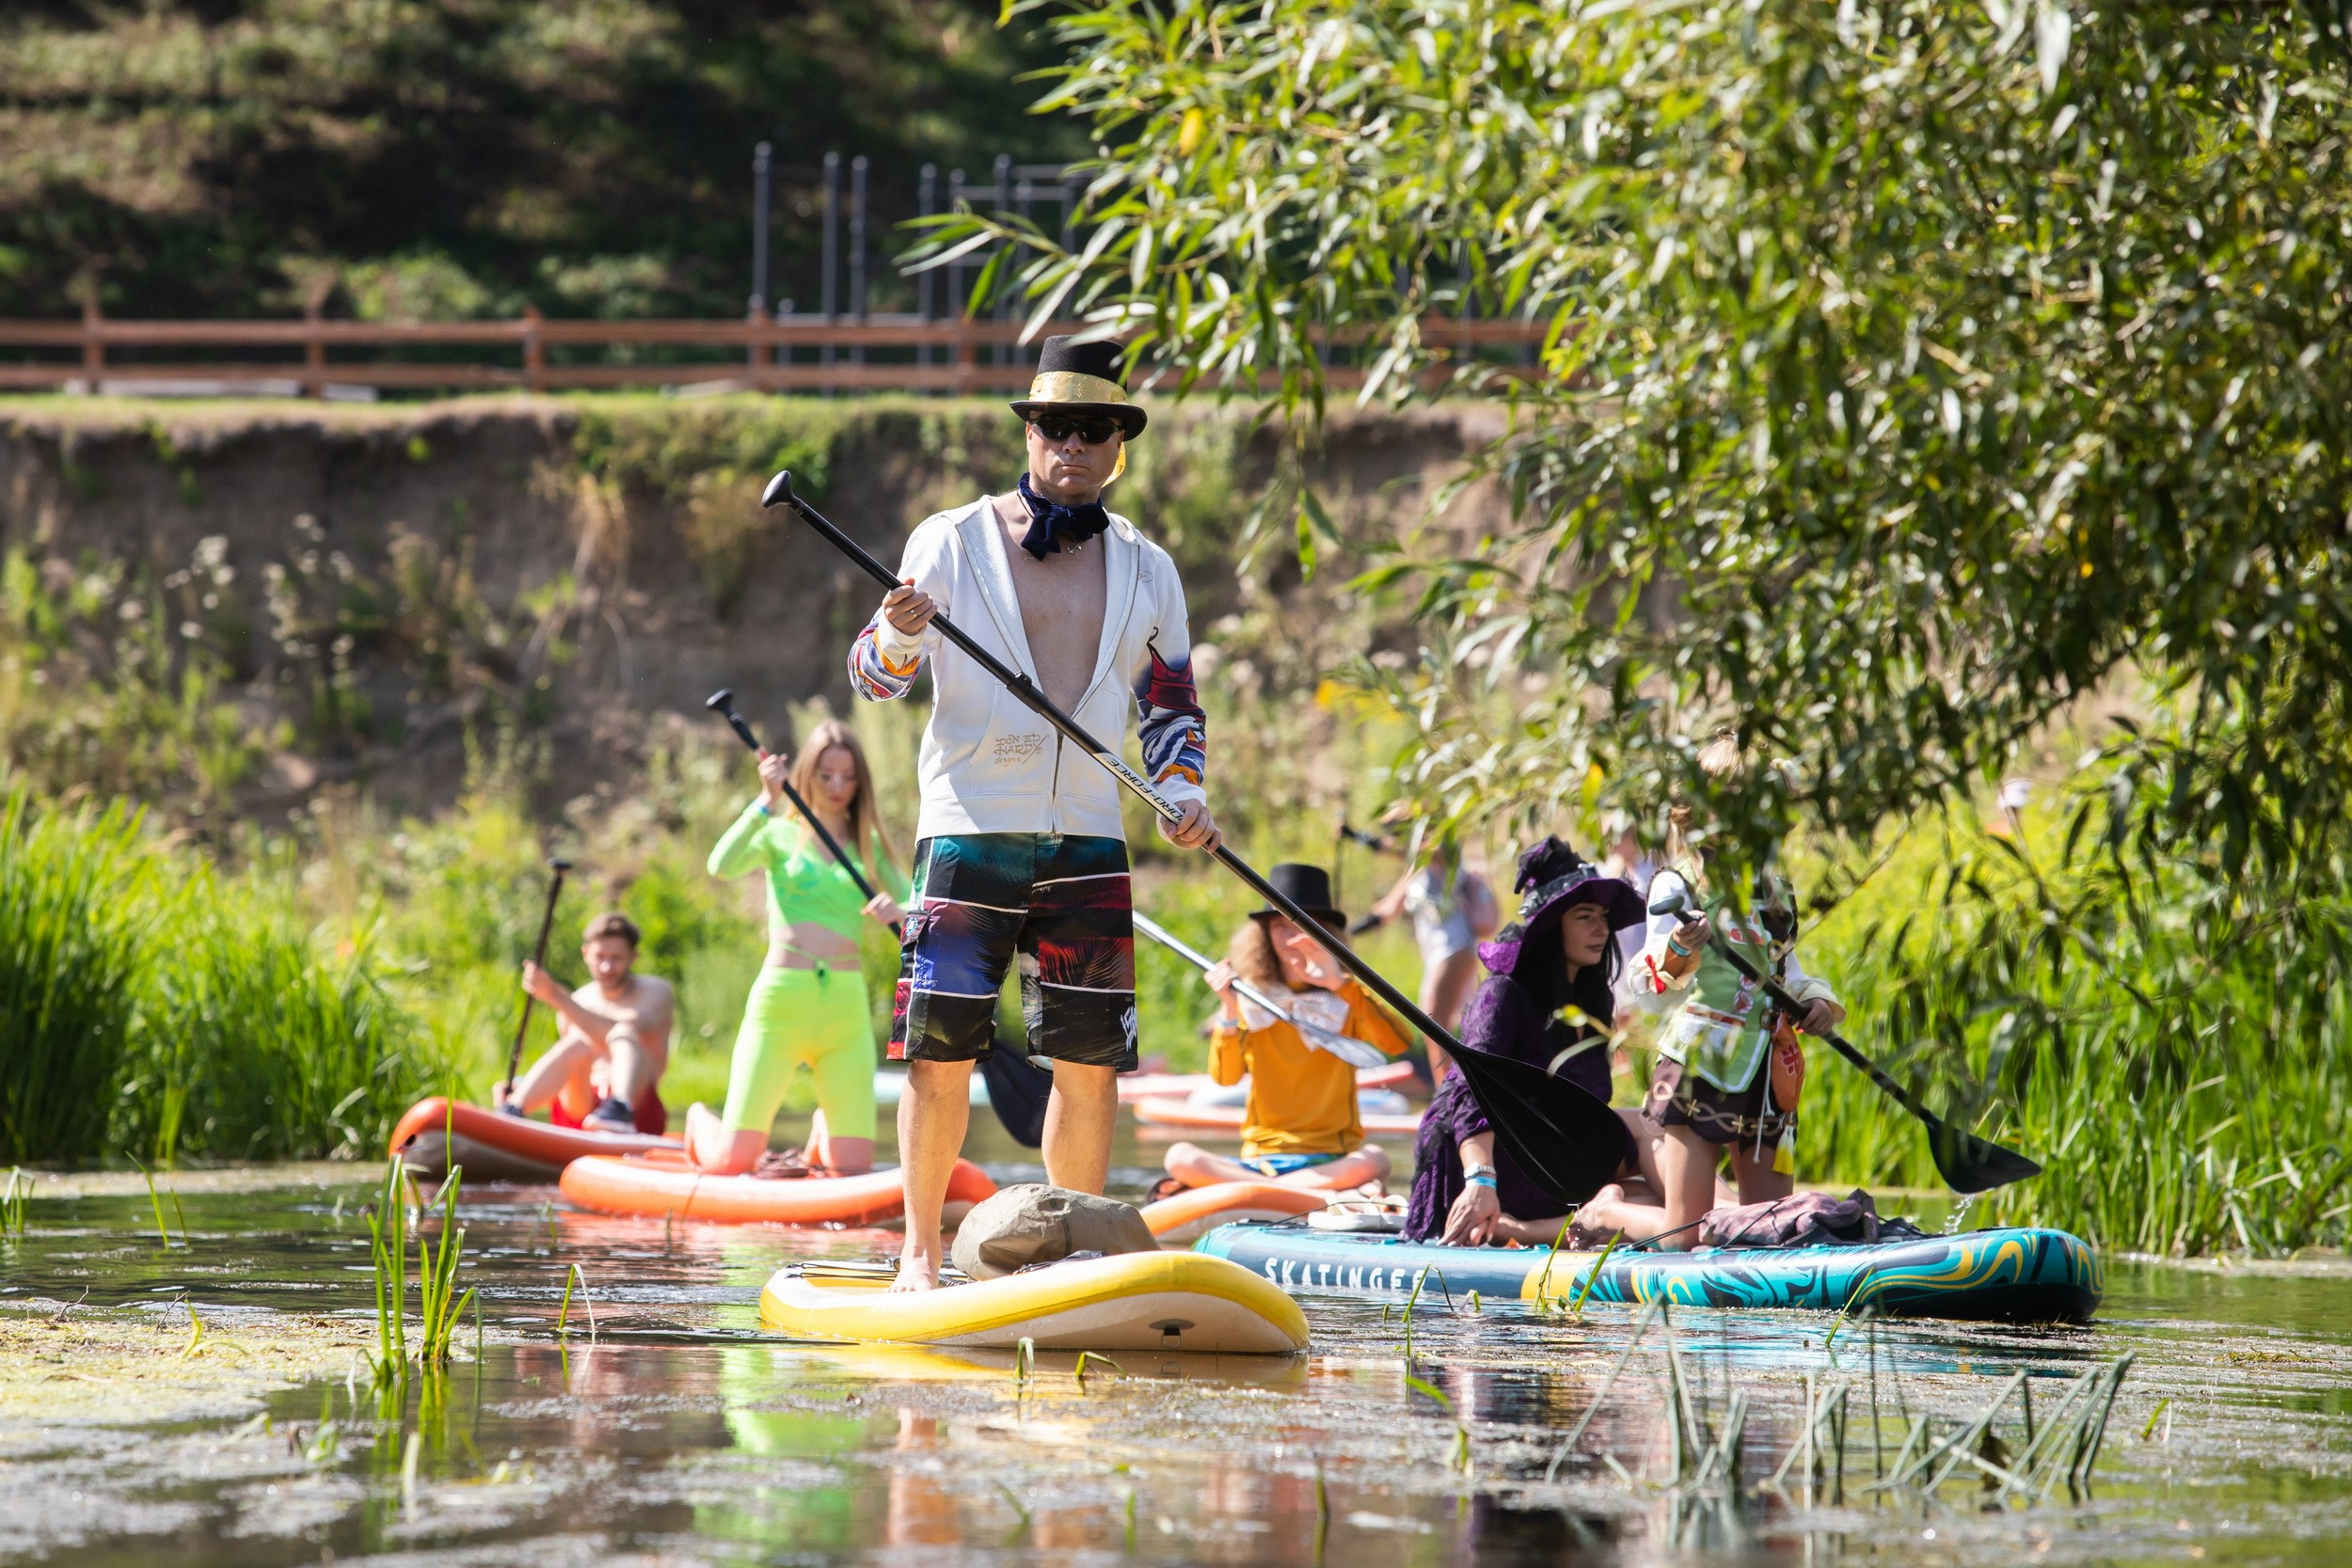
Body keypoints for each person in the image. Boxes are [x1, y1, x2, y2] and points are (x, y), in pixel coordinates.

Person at [848, 335, 1220, 1291]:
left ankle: (1074, 1254)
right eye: (1057, 425)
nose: (1074, 445)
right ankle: (920, 1254)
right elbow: (874, 680)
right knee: (939, 1053)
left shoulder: (1148, 563)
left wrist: (1182, 791)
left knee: (1088, 1061)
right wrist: (896, 630)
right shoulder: (950, 537)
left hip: (1091, 830)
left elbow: (1170, 699)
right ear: (1030, 430)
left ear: (1120, 444)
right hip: (970, 827)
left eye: (1095, 429)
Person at [1597, 730, 1847, 1250]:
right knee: (1685, 1238)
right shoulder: (1677, 885)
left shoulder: (1776, 887)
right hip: (1701, 1063)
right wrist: (1683, 950)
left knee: (1766, 1235)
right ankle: (1607, 1213)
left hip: (1768, 1069)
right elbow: (1646, 988)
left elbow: (1785, 969)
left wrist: (1818, 1002)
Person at [686, 719, 908, 1176]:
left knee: (853, 1168)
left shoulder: (867, 845)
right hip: (781, 1002)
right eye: (826, 775)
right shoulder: (778, 832)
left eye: (848, 777)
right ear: (807, 773)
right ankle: (698, 1121)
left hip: (844, 1008)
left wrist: (900, 910)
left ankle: (824, 1131)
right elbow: (720, 865)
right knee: (732, 1163)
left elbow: (918, 904)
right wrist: (765, 802)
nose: (837, 786)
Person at [1404, 839, 1654, 1244]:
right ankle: (1721, 1223)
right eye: (1585, 917)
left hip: (1553, 1163)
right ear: (1552, 928)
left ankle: (1734, 1223)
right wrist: (1479, 1179)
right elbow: (1472, 1095)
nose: (1601, 929)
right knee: (1647, 1129)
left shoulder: (1594, 1002)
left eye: (1604, 916)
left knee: (1656, 1193)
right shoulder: (1502, 995)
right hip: (1492, 1168)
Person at [1158, 864, 1412, 1196]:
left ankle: (1266, 1191)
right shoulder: (1249, 998)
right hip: (1261, 1159)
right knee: (1179, 1156)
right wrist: (1229, 1009)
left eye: (1305, 926)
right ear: (1263, 936)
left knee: (1376, 1159)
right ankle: (1293, 1191)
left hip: (1333, 1160)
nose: (1293, 939)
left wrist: (1339, 983)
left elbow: (1397, 1043)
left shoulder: (1348, 997)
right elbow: (1225, 1079)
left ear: (1327, 934)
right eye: (1280, 926)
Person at [495, 911, 674, 1133]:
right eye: (601, 957)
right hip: (580, 1106)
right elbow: (565, 1069)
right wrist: (521, 1084)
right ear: (586, 953)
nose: (607, 967)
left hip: (639, 1110)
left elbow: (620, 1031)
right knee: (576, 1045)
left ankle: (619, 1110)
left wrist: (556, 997)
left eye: (616, 958)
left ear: (633, 957)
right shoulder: (579, 1000)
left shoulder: (655, 991)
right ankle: (513, 1108)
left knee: (624, 1034)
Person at [1362, 838, 1498, 1081]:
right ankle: (1447, 1090)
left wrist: (1364, 839)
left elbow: (1415, 850)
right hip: (1436, 956)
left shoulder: (1444, 858)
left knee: (1434, 1025)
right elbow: (1388, 909)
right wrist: (1345, 930)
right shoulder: (1417, 872)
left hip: (1455, 948)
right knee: (1434, 1028)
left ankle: (1447, 1095)